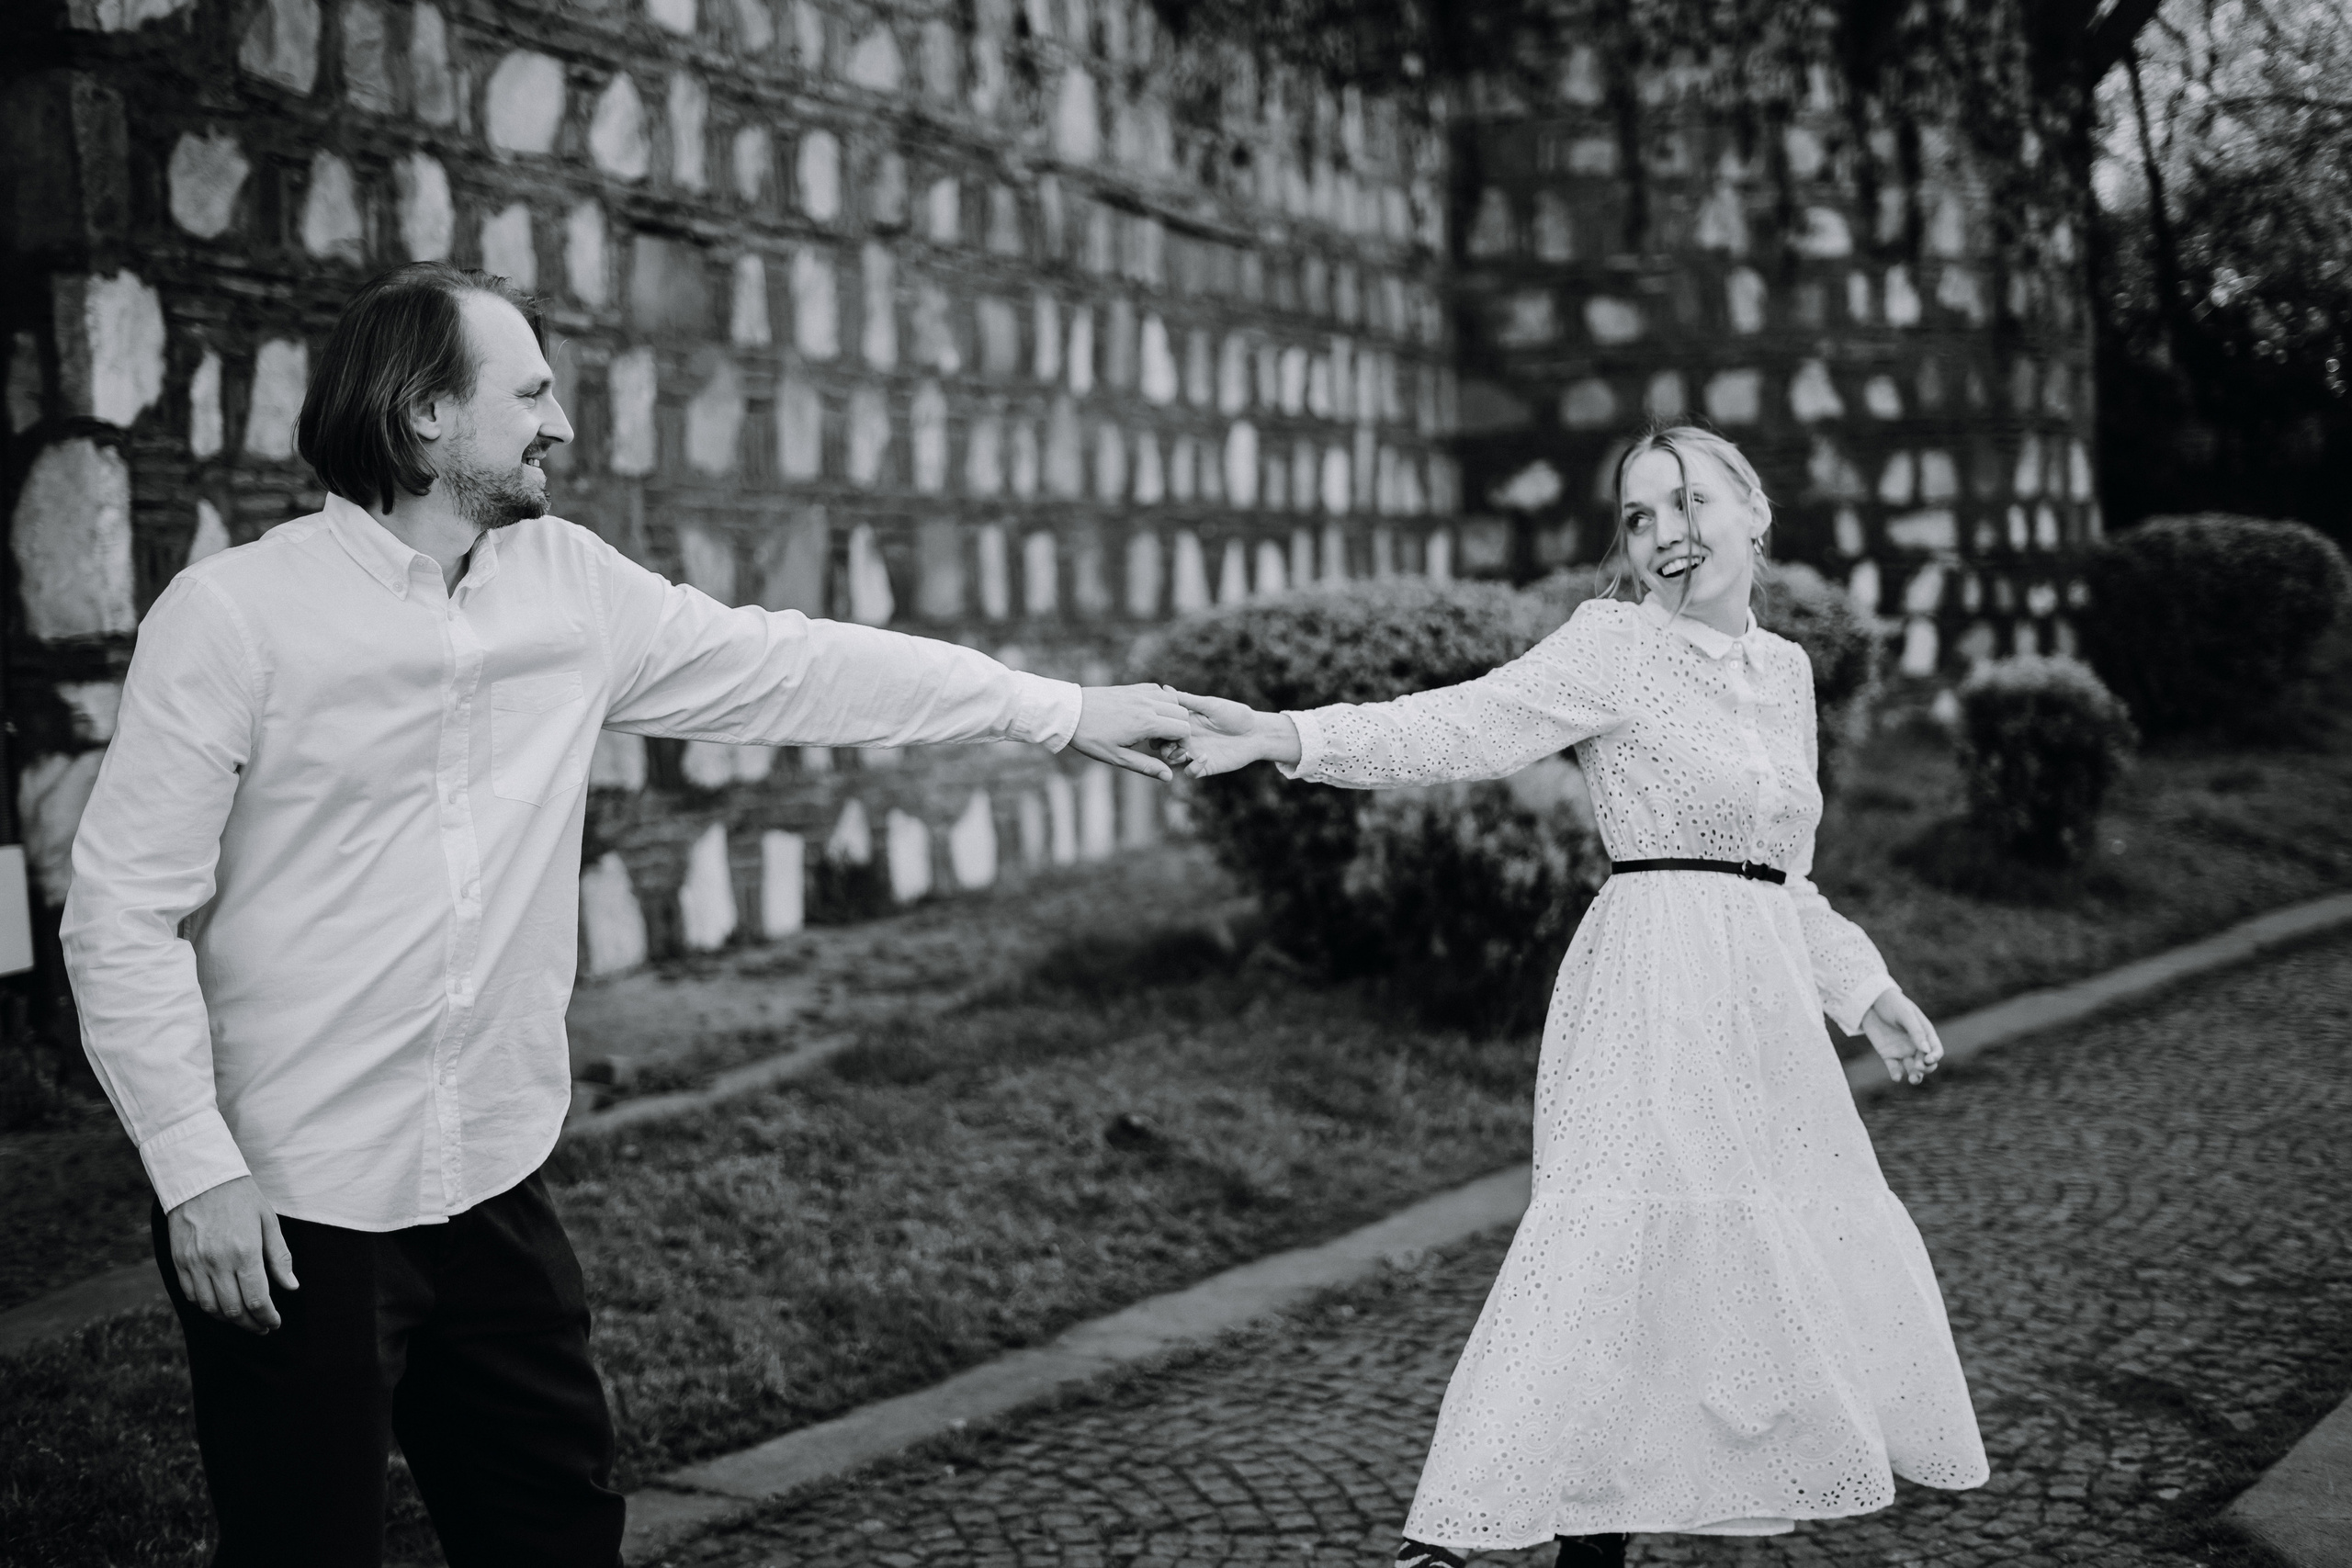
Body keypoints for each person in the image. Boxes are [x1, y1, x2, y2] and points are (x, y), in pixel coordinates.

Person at [59, 261, 1194, 1567]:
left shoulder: (572, 588)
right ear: (424, 413)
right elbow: (122, 913)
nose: (561, 425)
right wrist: (195, 1171)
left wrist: (1059, 709)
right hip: (295, 1201)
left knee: (557, 1532)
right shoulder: (233, 618)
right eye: (531, 394)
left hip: (494, 1178)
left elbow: (798, 665)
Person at [1167, 426, 1989, 1567]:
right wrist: (1286, 736)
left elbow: (1783, 877)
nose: (1664, 535)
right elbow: (1462, 722)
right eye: (1639, 516)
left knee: (1698, 1275)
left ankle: (1590, 1541)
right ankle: (1447, 1540)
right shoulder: (1615, 645)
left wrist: (1865, 989)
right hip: (1648, 986)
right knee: (1603, 1250)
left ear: (1754, 513)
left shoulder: (1785, 674)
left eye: (1688, 502)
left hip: (1758, 1018)